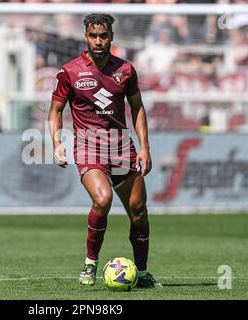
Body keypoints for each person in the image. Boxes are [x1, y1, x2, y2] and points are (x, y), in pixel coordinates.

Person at [47, 13, 162, 288]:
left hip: (122, 146)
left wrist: (144, 146)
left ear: (111, 37)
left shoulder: (125, 70)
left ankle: (143, 274)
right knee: (102, 199)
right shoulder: (69, 72)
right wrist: (56, 142)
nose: (98, 41)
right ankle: (90, 264)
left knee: (139, 211)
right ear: (86, 37)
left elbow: (137, 108)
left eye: (103, 36)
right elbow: (55, 111)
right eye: (93, 36)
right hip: (88, 146)